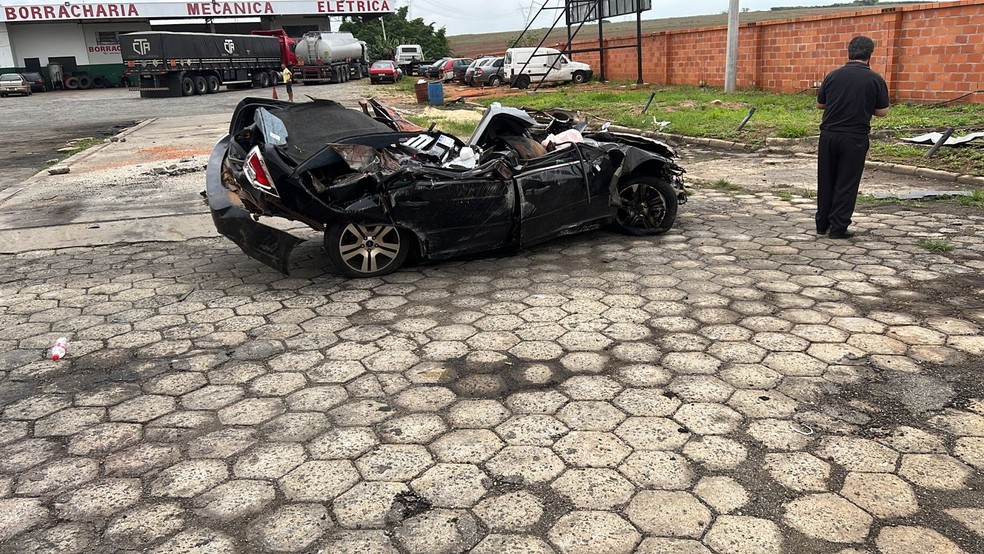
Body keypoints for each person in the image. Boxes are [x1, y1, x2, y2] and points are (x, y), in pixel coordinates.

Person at [815, 36, 890, 239]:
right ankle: (838, 228)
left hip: (828, 135)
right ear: (869, 54)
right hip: (854, 137)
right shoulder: (875, 79)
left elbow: (820, 105)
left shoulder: (832, 76)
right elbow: (882, 111)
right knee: (846, 182)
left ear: (849, 52)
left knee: (826, 179)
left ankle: (822, 224)